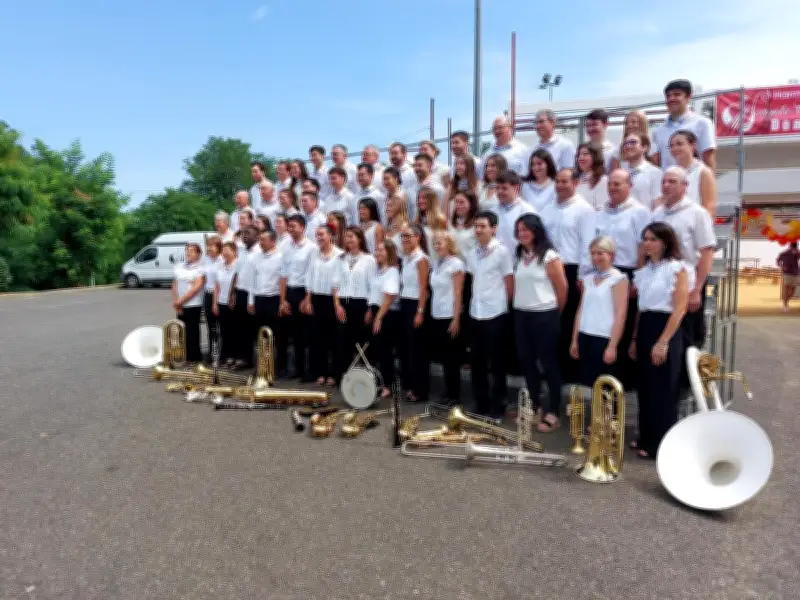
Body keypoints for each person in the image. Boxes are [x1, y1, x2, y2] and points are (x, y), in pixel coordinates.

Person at [630, 222, 689, 459]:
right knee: (645, 388)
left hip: (665, 328)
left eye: (653, 239)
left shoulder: (677, 269)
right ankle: (646, 436)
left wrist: (663, 341)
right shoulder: (644, 271)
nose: (647, 243)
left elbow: (680, 308)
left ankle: (661, 444)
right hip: (645, 326)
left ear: (665, 242)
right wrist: (635, 338)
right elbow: (640, 308)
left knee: (663, 391)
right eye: (645, 238)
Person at [591, 169, 651, 390]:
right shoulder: (601, 212)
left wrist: (637, 278)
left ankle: (621, 385)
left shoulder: (640, 212)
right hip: (602, 270)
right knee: (604, 326)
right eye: (610, 184)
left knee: (622, 330)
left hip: (627, 272)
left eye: (618, 184)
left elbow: (642, 247)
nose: (613, 188)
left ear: (629, 186)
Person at [539, 168, 595, 384]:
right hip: (550, 266)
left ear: (576, 183)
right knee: (550, 318)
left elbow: (587, 243)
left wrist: (582, 274)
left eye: (564, 181)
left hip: (572, 268)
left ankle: (568, 371)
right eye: (558, 182)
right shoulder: (548, 208)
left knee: (568, 320)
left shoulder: (584, 210)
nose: (560, 185)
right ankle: (550, 366)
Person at [512, 214, 568, 432]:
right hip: (521, 314)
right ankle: (534, 406)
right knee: (526, 361)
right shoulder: (519, 254)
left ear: (536, 230)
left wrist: (554, 313)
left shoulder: (549, 255)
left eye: (526, 229)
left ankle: (553, 410)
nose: (522, 233)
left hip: (544, 315)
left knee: (548, 363)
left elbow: (562, 289)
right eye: (519, 230)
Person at [651, 166, 715, 348]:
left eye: (672, 181)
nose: (666, 185)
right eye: (664, 181)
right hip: (661, 279)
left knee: (688, 335)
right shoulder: (657, 213)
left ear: (685, 186)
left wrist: (697, 289)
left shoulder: (697, 213)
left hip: (687, 279)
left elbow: (706, 252)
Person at [467, 211, 514, 420]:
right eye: (476, 226)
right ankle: (481, 403)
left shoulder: (502, 252)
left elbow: (509, 281)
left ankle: (498, 405)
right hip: (475, 313)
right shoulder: (472, 253)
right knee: (477, 363)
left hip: (495, 313)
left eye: (483, 226)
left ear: (493, 228)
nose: (478, 230)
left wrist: (506, 307)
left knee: (497, 364)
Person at [570, 236, 629, 387]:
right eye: (593, 253)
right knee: (590, 382)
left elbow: (621, 313)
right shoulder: (588, 279)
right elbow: (580, 311)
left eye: (600, 253)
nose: (596, 257)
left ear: (611, 255)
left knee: (606, 386)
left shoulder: (618, 279)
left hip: (604, 337)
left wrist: (612, 346)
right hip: (585, 334)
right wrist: (574, 340)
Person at [302, 224, 344, 386]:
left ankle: (333, 374)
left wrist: (337, 303)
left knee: (334, 339)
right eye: (317, 235)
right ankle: (320, 372)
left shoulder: (340, 254)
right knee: (317, 338)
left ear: (331, 236)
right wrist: (308, 298)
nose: (319, 238)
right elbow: (310, 276)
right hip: (316, 298)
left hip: (333, 300)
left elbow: (339, 279)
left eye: (322, 235)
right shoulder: (314, 254)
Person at [334, 226, 376, 382]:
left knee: (362, 341)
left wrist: (370, 309)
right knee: (342, 341)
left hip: (361, 304)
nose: (348, 240)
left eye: (351, 236)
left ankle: (367, 377)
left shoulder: (369, 259)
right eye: (346, 236)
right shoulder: (341, 258)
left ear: (359, 239)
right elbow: (335, 284)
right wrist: (337, 305)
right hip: (343, 303)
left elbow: (372, 286)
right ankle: (343, 377)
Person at [429, 231, 466, 405]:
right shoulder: (436, 263)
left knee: (452, 358)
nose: (437, 246)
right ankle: (447, 391)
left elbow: (458, 293)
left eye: (440, 242)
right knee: (444, 358)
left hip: (450, 315)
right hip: (437, 314)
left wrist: (456, 318)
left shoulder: (456, 264)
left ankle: (455, 395)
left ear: (449, 244)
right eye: (435, 243)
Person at [279, 214, 316, 381]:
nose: (290, 229)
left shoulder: (311, 248)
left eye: (293, 226)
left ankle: (309, 370)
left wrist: (308, 298)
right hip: (290, 292)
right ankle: (297, 369)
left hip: (304, 292)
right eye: (289, 226)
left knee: (307, 333)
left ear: (302, 227)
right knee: (293, 334)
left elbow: (311, 273)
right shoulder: (286, 247)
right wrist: (283, 299)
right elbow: (283, 274)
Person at [651, 79, 717, 171]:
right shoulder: (658, 130)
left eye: (677, 94)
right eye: (668, 96)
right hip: (667, 183)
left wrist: (710, 183)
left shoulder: (702, 123)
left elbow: (708, 159)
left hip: (695, 183)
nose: (671, 99)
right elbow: (656, 163)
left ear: (688, 97)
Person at [399, 224, 431, 403]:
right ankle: (410, 385)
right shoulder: (407, 258)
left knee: (417, 349)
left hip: (416, 305)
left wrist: (420, 311)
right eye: (403, 236)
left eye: (409, 236)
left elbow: (423, 287)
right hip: (405, 301)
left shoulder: (421, 258)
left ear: (418, 237)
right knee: (407, 348)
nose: (405, 239)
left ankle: (420, 389)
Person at [366, 239, 401, 398]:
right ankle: (380, 381)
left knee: (385, 351)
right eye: (376, 250)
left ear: (389, 252)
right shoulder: (378, 270)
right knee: (377, 350)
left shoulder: (392, 271)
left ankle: (389, 384)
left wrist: (378, 317)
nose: (377, 253)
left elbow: (390, 296)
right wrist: (369, 309)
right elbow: (374, 293)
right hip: (375, 309)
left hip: (386, 313)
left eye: (381, 250)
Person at [248, 230, 285, 374]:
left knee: (277, 335)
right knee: (261, 335)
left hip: (274, 299)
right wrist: (251, 300)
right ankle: (262, 366)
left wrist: (282, 301)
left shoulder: (281, 257)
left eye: (264, 240)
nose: (261, 242)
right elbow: (252, 280)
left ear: (273, 241)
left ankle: (276, 367)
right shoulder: (255, 258)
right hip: (259, 299)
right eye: (260, 240)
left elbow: (283, 281)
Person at [668, 130, 718, 217]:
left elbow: (709, 206)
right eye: (671, 146)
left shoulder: (703, 172)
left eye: (679, 144)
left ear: (693, 145)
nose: (674, 148)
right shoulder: (669, 172)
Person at [171, 242, 205, 364]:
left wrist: (181, 301)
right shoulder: (179, 266)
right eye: (188, 250)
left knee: (192, 332)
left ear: (198, 254)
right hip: (180, 305)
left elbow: (196, 288)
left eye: (192, 251)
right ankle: (183, 355)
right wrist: (176, 302)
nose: (188, 253)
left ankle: (194, 357)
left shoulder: (200, 269)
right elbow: (174, 285)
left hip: (193, 304)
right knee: (181, 331)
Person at [232, 226, 261, 369]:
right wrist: (232, 293)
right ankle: (243, 358)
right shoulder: (241, 251)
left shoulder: (259, 252)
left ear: (257, 236)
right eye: (243, 233)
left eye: (248, 233)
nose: (244, 236)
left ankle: (256, 360)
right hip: (240, 291)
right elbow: (236, 274)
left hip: (253, 293)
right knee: (240, 327)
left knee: (253, 328)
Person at [213, 241, 239, 367]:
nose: (224, 252)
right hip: (221, 302)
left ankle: (234, 356)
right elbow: (216, 286)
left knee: (234, 331)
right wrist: (214, 303)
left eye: (227, 250)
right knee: (223, 331)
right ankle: (225, 356)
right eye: (223, 250)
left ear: (234, 252)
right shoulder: (220, 266)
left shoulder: (238, 266)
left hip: (233, 304)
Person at [202, 236, 223, 364]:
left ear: (218, 247)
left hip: (219, 295)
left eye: (211, 246)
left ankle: (222, 354)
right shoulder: (206, 260)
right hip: (208, 294)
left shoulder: (221, 260)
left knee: (221, 326)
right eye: (207, 246)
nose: (208, 248)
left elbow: (219, 282)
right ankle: (211, 353)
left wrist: (216, 302)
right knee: (211, 327)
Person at [575, 143, 609, 211]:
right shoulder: (576, 180)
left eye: (585, 154)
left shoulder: (603, 181)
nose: (581, 158)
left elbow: (602, 209)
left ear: (595, 156)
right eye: (579, 155)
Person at [777, 241, 800, 312]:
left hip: (795, 273)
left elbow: (799, 257)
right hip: (787, 273)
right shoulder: (784, 252)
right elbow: (778, 260)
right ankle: (785, 305)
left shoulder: (797, 252)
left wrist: (797, 252)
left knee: (793, 290)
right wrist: (782, 266)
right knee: (786, 288)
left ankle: (786, 303)